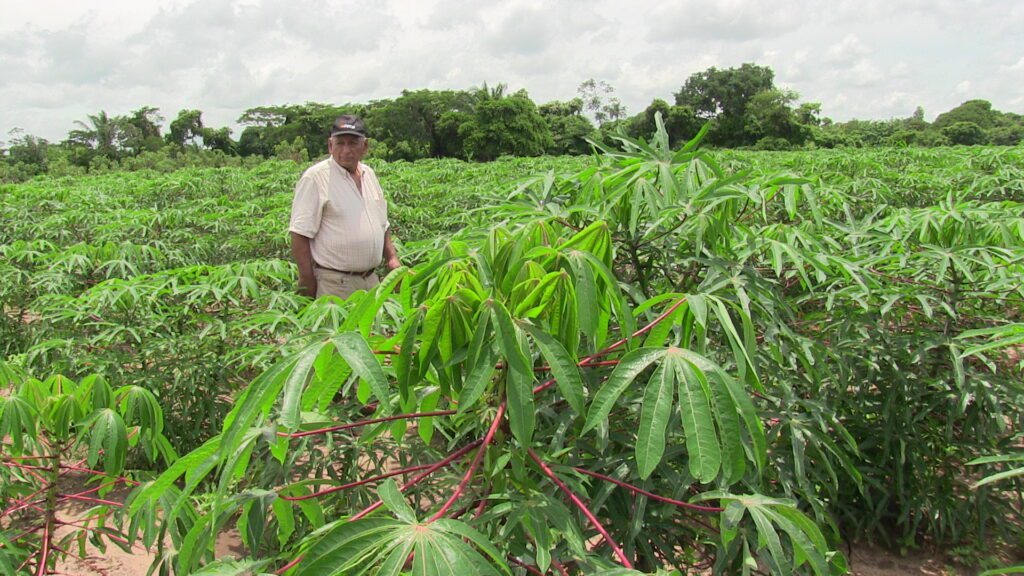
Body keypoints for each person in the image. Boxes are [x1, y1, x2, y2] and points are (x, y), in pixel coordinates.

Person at [289, 115, 401, 299]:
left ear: (365, 146)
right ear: (330, 146)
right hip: (335, 285)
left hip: (372, 281)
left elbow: (383, 224)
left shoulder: (369, 174)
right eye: (340, 143)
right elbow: (299, 233)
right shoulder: (315, 177)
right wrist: (307, 280)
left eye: (353, 143)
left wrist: (392, 258)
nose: (346, 150)